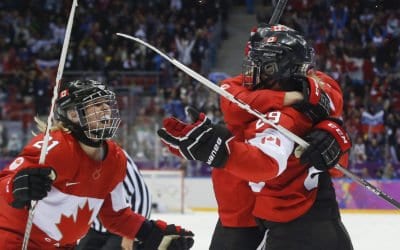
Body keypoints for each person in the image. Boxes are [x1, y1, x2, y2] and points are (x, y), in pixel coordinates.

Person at [158, 24, 353, 250]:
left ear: (279, 68)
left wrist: (333, 130)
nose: (250, 70)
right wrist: (289, 96)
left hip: (282, 212)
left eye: (259, 64)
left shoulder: (305, 96)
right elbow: (233, 104)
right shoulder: (244, 87)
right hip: (240, 208)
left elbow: (332, 98)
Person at [0, 80, 194, 250]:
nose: (106, 109)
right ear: (73, 114)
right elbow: (6, 183)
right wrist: (16, 186)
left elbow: (116, 216)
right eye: (96, 104)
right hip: (16, 241)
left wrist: (149, 233)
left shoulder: (115, 159)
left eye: (106, 103)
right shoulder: (56, 147)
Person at [76, 150, 152, 250]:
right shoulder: (77, 155)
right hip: (95, 228)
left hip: (122, 228)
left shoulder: (116, 156)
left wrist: (131, 233)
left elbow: (141, 195)